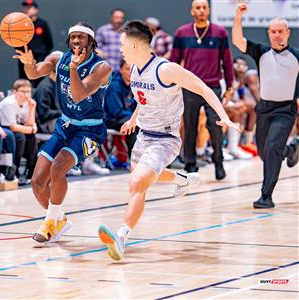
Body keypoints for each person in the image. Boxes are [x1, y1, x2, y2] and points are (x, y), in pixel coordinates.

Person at [98, 20, 238, 261]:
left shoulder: (166, 70)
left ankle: (121, 237)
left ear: (134, 45)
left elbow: (203, 88)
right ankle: (182, 179)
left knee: (137, 183)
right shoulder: (133, 69)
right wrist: (133, 119)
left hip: (165, 139)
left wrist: (223, 116)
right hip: (143, 135)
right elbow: (144, 99)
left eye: (122, 44)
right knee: (147, 178)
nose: (119, 48)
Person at [13, 22, 112, 245]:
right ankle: (59, 219)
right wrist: (29, 63)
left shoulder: (101, 67)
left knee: (58, 169)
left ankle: (49, 222)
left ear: (90, 41)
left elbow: (79, 94)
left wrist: (75, 69)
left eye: (82, 37)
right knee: (37, 181)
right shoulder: (59, 58)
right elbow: (34, 73)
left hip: (90, 129)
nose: (77, 41)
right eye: (73, 37)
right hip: (66, 125)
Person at [232, 3, 298, 208]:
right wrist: (238, 16)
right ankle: (292, 149)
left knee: (271, 149)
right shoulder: (261, 52)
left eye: (280, 31)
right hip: (264, 109)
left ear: (287, 33)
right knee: (264, 152)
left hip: (285, 111)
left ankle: (266, 196)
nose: (277, 35)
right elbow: (237, 40)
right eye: (273, 31)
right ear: (269, 33)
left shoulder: (296, 56)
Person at [170, 0, 233, 180]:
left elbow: (227, 62)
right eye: (198, 7)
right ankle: (191, 164)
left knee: (215, 125)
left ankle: (218, 160)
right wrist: (172, 84)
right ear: (192, 11)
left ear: (209, 10)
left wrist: (229, 86)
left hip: (212, 87)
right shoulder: (182, 33)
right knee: (190, 126)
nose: (201, 10)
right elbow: (174, 62)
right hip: (190, 86)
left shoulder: (220, 33)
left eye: (204, 7)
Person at [0, 79, 38, 185]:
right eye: (23, 91)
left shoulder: (28, 102)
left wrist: (32, 108)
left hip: (15, 127)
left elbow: (29, 123)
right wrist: (32, 129)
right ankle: (15, 170)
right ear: (15, 92)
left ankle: (31, 172)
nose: (26, 94)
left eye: (28, 91)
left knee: (31, 138)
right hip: (0, 126)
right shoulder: (9, 103)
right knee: (20, 137)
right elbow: (13, 127)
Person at [18, 0, 53, 87]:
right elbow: (16, 42)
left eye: (29, 8)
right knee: (24, 83)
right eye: (25, 8)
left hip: (40, 58)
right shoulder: (20, 25)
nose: (27, 10)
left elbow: (49, 43)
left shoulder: (42, 24)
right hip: (25, 59)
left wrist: (42, 55)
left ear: (36, 10)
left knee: (40, 83)